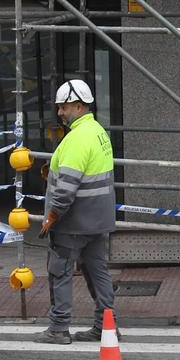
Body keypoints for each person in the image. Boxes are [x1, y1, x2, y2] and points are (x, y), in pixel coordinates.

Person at [37, 76, 118, 345]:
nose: (60, 113)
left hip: (72, 222)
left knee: (59, 271)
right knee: (98, 271)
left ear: (80, 106)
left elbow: (66, 187)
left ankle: (59, 328)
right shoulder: (98, 132)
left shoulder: (77, 139)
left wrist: (51, 216)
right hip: (97, 220)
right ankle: (106, 325)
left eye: (64, 107)